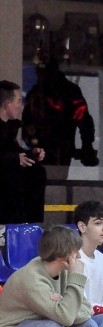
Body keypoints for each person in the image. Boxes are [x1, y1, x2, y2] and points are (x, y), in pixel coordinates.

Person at [22, 58, 98, 167]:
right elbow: (27, 122)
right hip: (43, 150)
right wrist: (33, 143)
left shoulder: (69, 91)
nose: (40, 75)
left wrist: (87, 145)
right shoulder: (35, 94)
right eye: (39, 72)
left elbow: (84, 121)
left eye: (43, 72)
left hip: (62, 149)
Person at [0, 80, 47, 224]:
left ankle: (32, 225)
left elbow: (13, 151)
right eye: (19, 101)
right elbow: (9, 155)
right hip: (5, 202)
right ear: (7, 104)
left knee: (37, 171)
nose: (21, 106)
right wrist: (15, 159)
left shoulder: (9, 129)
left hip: (16, 204)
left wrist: (32, 154)